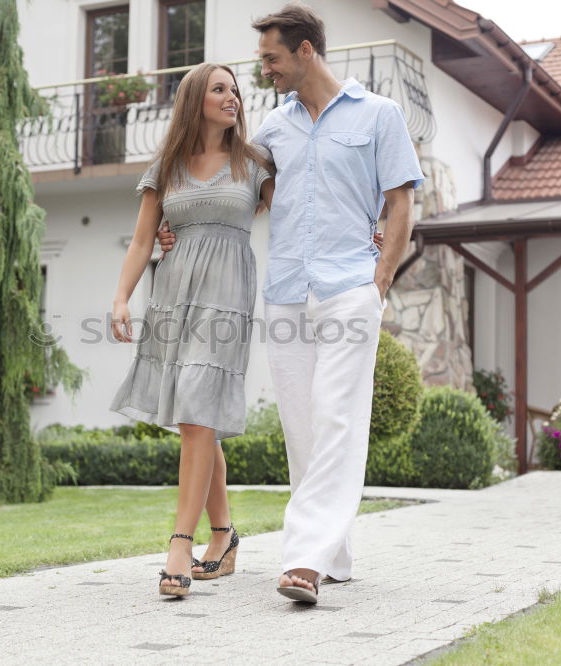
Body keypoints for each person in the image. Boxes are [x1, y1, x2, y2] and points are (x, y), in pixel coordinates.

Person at [159, 3, 424, 604]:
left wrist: (379, 280)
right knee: (302, 429)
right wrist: (176, 230)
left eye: (272, 59)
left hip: (349, 288)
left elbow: (400, 203)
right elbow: (236, 197)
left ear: (305, 51)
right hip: (284, 294)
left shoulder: (379, 115)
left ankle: (302, 559)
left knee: (337, 418)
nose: (265, 72)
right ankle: (335, 556)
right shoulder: (273, 130)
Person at [109, 63, 274, 597]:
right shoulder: (169, 165)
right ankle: (223, 535)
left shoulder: (255, 164)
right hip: (174, 294)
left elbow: (299, 216)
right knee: (193, 416)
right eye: (220, 89)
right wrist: (120, 298)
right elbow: (140, 242)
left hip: (227, 296)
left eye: (236, 90)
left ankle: (181, 541)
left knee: (199, 402)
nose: (233, 98)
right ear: (195, 100)